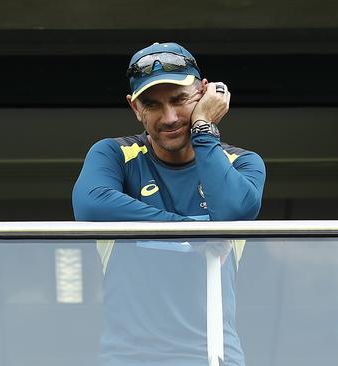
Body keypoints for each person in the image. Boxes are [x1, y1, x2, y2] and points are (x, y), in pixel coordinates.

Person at [72, 42, 266, 366]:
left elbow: (234, 212)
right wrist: (191, 231)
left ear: (204, 94)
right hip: (129, 359)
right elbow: (90, 205)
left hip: (215, 357)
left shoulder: (242, 162)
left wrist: (204, 129)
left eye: (179, 100)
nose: (170, 117)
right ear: (135, 108)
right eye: (152, 105)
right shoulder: (115, 155)